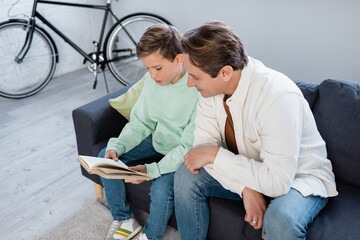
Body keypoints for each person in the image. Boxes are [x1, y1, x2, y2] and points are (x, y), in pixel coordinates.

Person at [174, 21, 338, 240]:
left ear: (225, 72)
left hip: (297, 178)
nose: (189, 84)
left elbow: (278, 182)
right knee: (186, 176)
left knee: (281, 219)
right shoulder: (210, 91)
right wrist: (246, 189)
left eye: (195, 77)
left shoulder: (276, 97)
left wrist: (215, 154)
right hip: (251, 171)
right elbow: (200, 153)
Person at [100, 24, 198, 240]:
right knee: (105, 157)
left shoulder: (197, 87)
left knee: (162, 191)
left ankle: (150, 236)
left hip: (181, 154)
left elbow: (188, 147)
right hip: (158, 141)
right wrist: (117, 146)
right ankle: (125, 219)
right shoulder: (152, 81)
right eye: (147, 68)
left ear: (179, 59)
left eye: (158, 68)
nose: (152, 75)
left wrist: (152, 170)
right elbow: (141, 122)